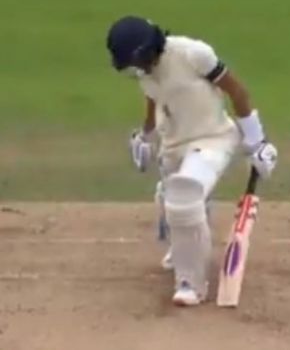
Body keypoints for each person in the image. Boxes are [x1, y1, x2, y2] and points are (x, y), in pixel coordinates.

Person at [107, 16, 278, 306]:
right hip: (173, 146)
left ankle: (191, 283)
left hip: (212, 138)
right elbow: (155, 98)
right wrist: (145, 134)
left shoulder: (192, 54)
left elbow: (236, 90)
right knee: (169, 197)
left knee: (184, 193)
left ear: (148, 50)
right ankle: (185, 246)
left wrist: (256, 141)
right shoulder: (146, 72)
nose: (136, 70)